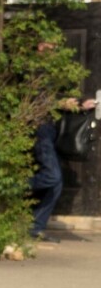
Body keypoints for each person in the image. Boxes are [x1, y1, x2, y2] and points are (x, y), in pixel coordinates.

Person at [30, 95, 97, 241]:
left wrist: (79, 106)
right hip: (41, 129)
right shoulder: (38, 75)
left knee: (56, 183)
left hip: (55, 129)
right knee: (52, 177)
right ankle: (14, 190)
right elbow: (34, 100)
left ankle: (36, 227)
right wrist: (59, 103)